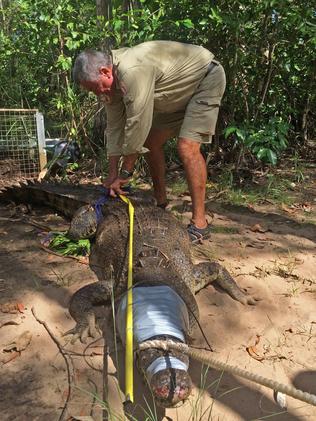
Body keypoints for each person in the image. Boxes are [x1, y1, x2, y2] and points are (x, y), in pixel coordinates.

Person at [73, 40, 226, 241]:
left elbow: (137, 124)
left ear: (105, 72)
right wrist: (112, 175)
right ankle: (161, 203)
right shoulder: (110, 87)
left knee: (187, 147)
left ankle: (200, 224)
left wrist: (125, 173)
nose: (98, 93)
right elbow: (115, 128)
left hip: (204, 81)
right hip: (174, 97)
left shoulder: (131, 71)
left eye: (96, 88)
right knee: (151, 143)